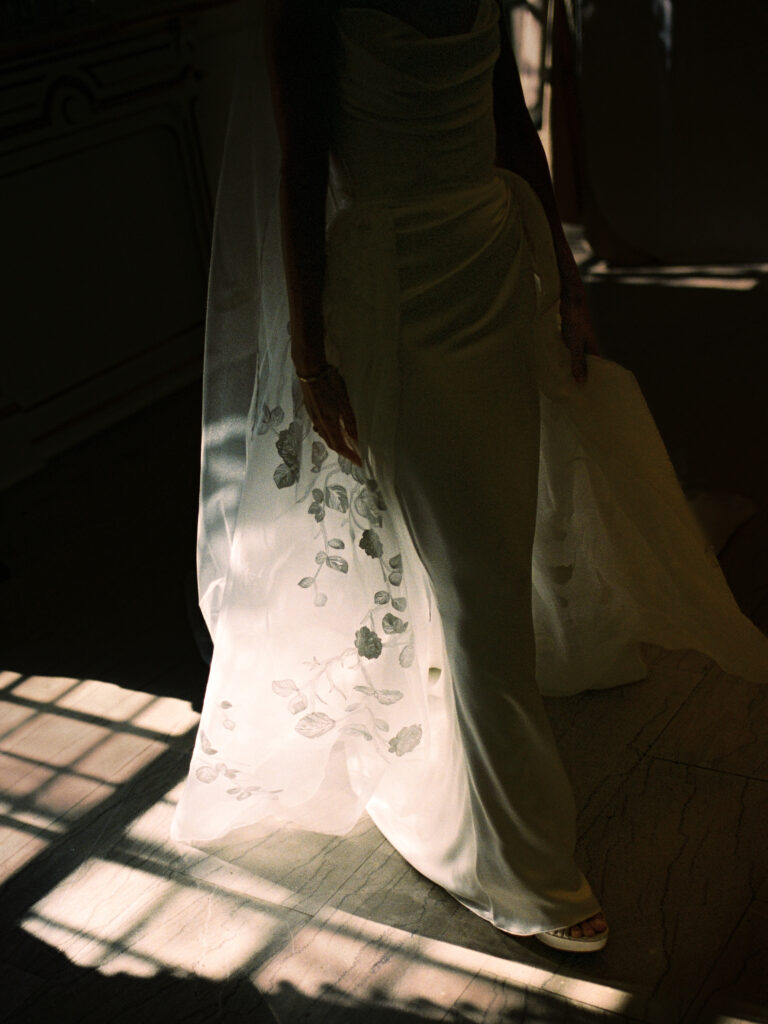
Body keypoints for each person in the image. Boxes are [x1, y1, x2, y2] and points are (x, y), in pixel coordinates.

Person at [171, 0, 768, 954]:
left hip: (490, 262)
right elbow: (297, 166)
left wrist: (567, 283)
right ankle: (526, 865)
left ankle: (477, 746)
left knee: (497, 541)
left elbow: (509, 124)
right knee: (475, 583)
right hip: (392, 287)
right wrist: (315, 356)